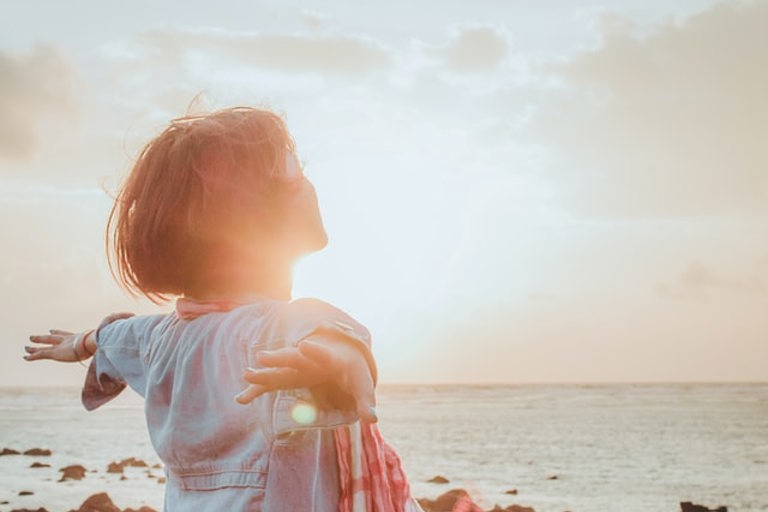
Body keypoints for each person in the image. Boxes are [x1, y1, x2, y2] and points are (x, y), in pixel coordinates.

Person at [23, 107, 423, 511]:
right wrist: (337, 359)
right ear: (249, 219)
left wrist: (79, 343)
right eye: (294, 177)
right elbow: (327, 331)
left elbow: (113, 338)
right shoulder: (276, 329)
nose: (308, 186)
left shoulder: (159, 338)